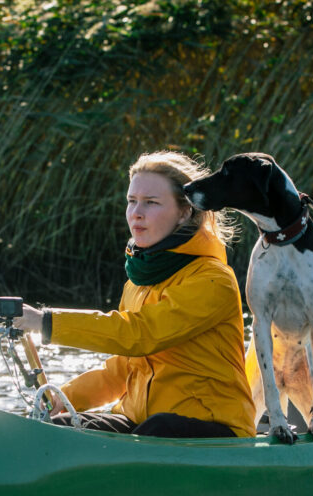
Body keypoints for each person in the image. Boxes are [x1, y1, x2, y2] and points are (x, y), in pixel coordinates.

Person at [13, 151, 257, 438]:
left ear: (185, 211)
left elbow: (139, 335)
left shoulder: (214, 281)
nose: (136, 213)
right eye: (132, 201)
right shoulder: (138, 283)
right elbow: (120, 371)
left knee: (157, 427)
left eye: (151, 203)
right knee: (60, 428)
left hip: (217, 427)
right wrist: (63, 400)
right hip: (142, 422)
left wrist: (45, 322)